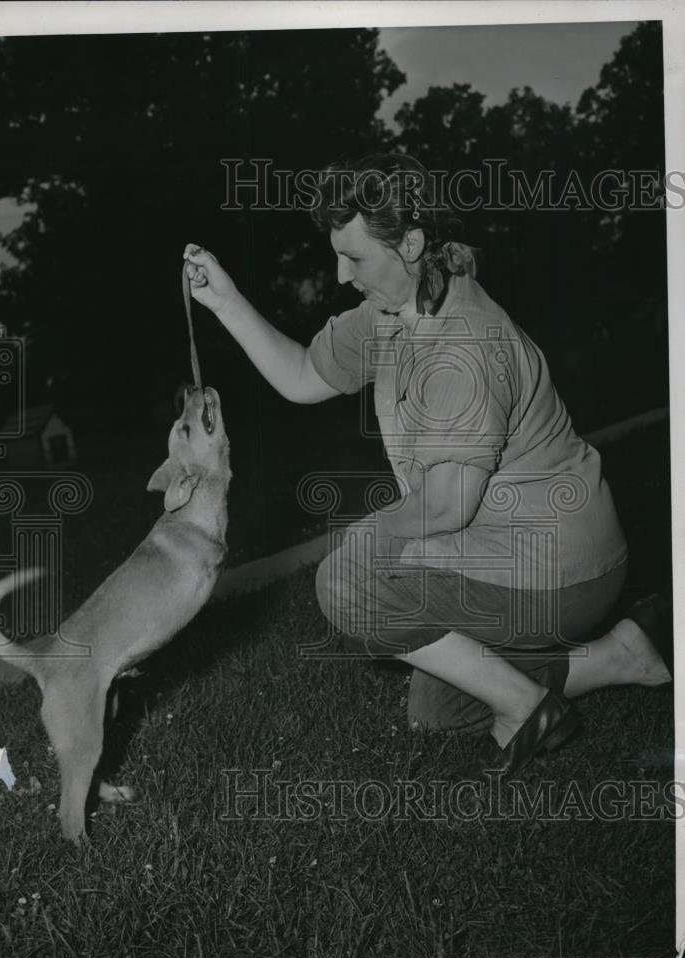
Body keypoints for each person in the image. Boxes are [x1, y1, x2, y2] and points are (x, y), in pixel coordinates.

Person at [183, 153, 671, 779]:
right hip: (496, 547)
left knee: (346, 581)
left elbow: (444, 507)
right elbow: (303, 376)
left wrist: (361, 542)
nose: (339, 275)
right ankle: (621, 656)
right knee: (439, 708)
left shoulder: (464, 343)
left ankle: (527, 707)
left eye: (354, 257)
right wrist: (223, 301)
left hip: (560, 564)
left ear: (411, 243)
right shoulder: (390, 313)